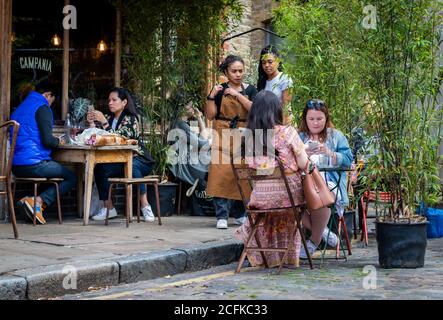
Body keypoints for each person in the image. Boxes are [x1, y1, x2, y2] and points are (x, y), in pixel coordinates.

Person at [234, 90, 309, 266]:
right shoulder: (288, 132)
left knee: (269, 213)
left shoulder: (249, 137)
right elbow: (303, 162)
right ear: (276, 110)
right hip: (288, 196)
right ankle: (292, 257)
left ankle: (267, 258)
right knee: (300, 208)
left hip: (259, 198)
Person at [10, 81, 77, 224]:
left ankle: (33, 203)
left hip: (15, 166)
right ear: (48, 95)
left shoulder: (19, 108)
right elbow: (47, 141)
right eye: (52, 100)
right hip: (34, 164)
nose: (51, 104)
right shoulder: (42, 107)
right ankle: (37, 201)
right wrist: (60, 142)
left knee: (55, 170)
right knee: (72, 177)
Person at [86, 87, 156, 222]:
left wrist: (104, 122)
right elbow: (98, 136)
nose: (110, 103)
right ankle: (109, 208)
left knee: (133, 166)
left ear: (124, 102)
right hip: (119, 161)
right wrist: (92, 123)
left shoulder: (131, 119)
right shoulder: (108, 118)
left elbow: (122, 138)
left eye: (114, 100)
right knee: (100, 168)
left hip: (140, 159)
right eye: (109, 100)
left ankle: (145, 206)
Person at [205, 55, 258, 229]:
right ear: (226, 72)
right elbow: (210, 115)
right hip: (222, 131)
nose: (238, 74)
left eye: (240, 71)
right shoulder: (219, 89)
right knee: (220, 173)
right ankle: (221, 215)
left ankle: (240, 214)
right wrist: (211, 96)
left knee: (242, 174)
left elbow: (255, 109)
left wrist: (237, 95)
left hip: (244, 133)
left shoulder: (250, 90)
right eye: (234, 71)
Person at [297, 99, 353, 256]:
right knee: (287, 200)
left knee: (321, 197)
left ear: (326, 118)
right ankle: (324, 233)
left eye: (319, 119)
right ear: (305, 119)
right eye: (311, 119)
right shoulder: (299, 137)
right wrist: (302, 154)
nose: (315, 123)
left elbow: (348, 160)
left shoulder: (336, 136)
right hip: (303, 183)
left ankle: (314, 240)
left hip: (329, 184)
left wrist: (329, 153)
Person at [257, 45, 294, 123]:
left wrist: (283, 129)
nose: (266, 65)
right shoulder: (262, 81)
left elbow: (286, 107)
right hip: (266, 124)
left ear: (278, 61)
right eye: (263, 63)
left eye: (270, 62)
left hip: (281, 122)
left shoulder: (284, 78)